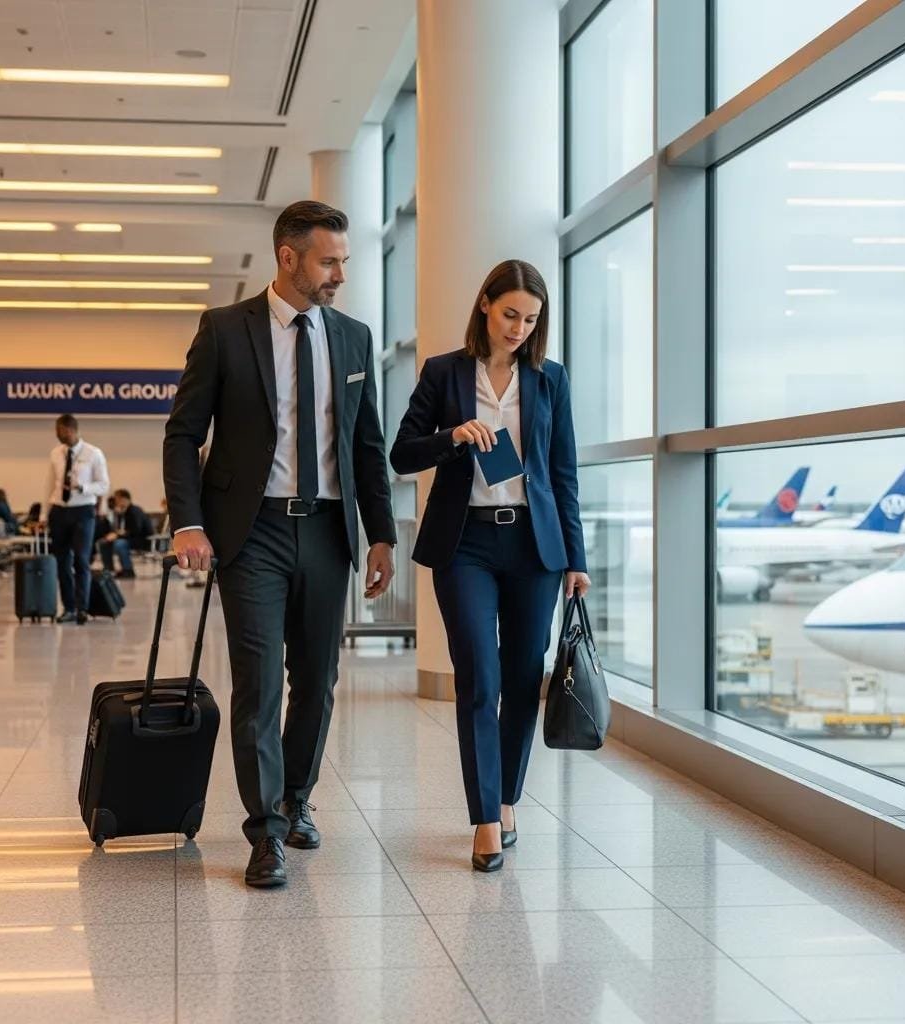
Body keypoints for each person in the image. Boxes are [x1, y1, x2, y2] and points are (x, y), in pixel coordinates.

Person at [164, 200, 397, 889]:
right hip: (253, 531)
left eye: (344, 262)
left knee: (318, 685)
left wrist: (380, 533)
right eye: (329, 261)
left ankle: (297, 801)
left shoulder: (353, 339)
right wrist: (188, 521)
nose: (339, 276)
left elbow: (366, 444)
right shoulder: (225, 331)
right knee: (260, 685)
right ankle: (264, 832)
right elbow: (184, 434)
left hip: (327, 529)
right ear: (288, 257)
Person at [390, 259, 591, 873]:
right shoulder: (443, 373)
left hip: (535, 548)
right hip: (467, 545)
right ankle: (483, 818)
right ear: (485, 306)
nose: (519, 329)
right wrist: (452, 435)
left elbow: (563, 474)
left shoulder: (550, 379)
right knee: (479, 676)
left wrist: (576, 560)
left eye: (530, 320)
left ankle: (507, 799)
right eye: (510, 315)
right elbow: (402, 454)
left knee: (524, 675)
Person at [41, 414, 111, 625]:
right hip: (60, 511)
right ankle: (69, 608)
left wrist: (83, 487)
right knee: (62, 562)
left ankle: (83, 608)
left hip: (83, 510)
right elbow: (49, 485)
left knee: (81, 560)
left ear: (71, 430)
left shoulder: (93, 453)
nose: (57, 435)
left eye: (60, 431)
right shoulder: (56, 453)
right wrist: (44, 514)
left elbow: (104, 485)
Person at [98, 488, 153, 578]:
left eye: (117, 499)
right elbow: (119, 529)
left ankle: (128, 570)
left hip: (142, 540)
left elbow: (136, 530)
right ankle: (109, 570)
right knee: (104, 543)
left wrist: (118, 535)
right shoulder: (123, 512)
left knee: (120, 544)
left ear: (124, 499)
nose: (115, 501)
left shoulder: (135, 511)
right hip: (131, 538)